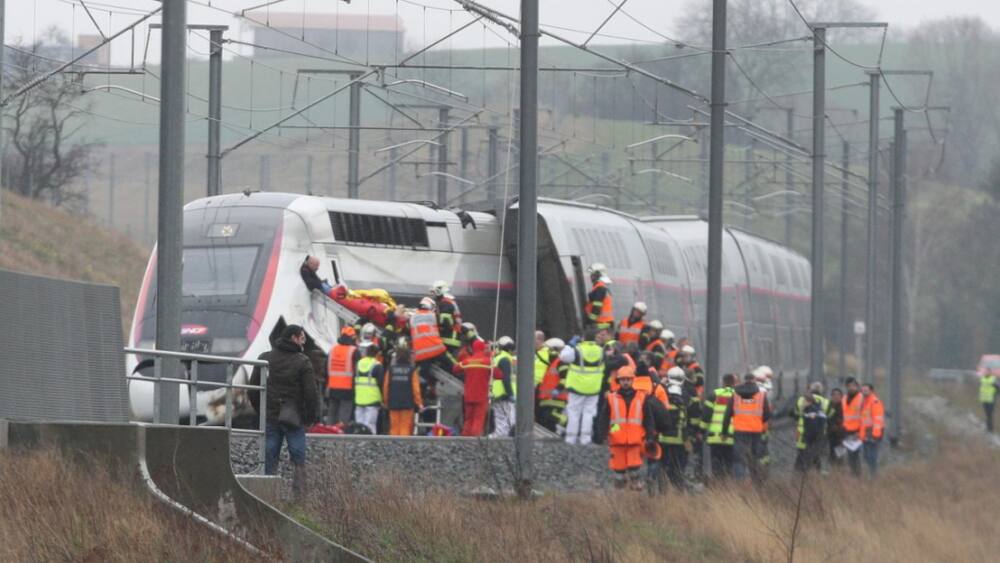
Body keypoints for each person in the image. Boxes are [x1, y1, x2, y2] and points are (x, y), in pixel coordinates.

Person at [263, 325, 319, 500]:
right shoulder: (303, 362)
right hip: (294, 418)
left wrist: (262, 410)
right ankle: (299, 496)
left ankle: (267, 493)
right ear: (294, 338)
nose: (304, 341)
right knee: (298, 456)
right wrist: (310, 416)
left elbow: (253, 388)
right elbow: (311, 392)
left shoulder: (265, 358)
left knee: (270, 453)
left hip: (272, 415)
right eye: (302, 337)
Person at [595, 367, 658, 490]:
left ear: (633, 380)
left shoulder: (642, 397)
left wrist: (650, 435)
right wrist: (602, 434)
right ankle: (621, 496)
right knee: (618, 472)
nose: (625, 382)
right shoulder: (611, 398)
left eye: (628, 379)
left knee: (635, 469)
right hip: (617, 440)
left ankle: (635, 494)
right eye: (623, 379)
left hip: (635, 440)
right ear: (619, 381)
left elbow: (648, 418)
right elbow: (603, 418)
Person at [560, 327, 606, 445]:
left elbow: (563, 357)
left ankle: (571, 439)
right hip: (593, 388)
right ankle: (585, 439)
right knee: (589, 413)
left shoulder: (577, 349)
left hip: (577, 387)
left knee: (574, 412)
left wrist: (569, 345)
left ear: (583, 338)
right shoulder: (601, 351)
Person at [722, 372, 771, 483]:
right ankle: (756, 482)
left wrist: (724, 432)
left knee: (739, 458)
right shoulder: (761, 395)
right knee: (755, 457)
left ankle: (739, 482)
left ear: (744, 380)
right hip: (756, 431)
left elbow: (727, 415)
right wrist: (758, 421)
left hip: (739, 430)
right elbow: (767, 414)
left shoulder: (735, 395)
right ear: (754, 381)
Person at [409, 297, 451, 409]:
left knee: (422, 377)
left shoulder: (412, 318)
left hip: (421, 355)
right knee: (451, 365)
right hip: (436, 349)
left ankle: (421, 399)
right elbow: (446, 323)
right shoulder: (433, 316)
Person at [454, 322, 491, 437]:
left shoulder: (465, 356)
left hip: (469, 391)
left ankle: (466, 440)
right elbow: (498, 373)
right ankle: (474, 441)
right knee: (478, 419)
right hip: (481, 391)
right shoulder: (485, 358)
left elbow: (456, 368)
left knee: (469, 418)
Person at [657, 367, 689, 491]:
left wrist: (660, 384)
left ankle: (662, 490)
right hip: (679, 438)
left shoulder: (662, 392)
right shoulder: (686, 394)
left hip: (663, 438)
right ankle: (679, 489)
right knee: (678, 467)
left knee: (663, 466)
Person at [383, 338, 424, 436]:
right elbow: (416, 389)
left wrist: (386, 401)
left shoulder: (391, 370)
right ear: (409, 356)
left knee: (394, 427)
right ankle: (403, 448)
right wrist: (419, 403)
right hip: (407, 403)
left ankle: (393, 448)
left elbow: (386, 387)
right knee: (405, 426)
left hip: (393, 403)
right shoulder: (412, 370)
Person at [702, 373, 738, 480]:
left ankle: (718, 486)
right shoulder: (738, 396)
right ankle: (727, 488)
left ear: (723, 382)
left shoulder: (714, 395)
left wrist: (701, 431)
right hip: (732, 437)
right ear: (734, 383)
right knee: (729, 465)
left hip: (715, 437)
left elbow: (706, 416)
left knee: (716, 464)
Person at [326, 326, 359, 424]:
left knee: (332, 413)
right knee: (344, 416)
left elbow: (326, 369)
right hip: (347, 388)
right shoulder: (354, 351)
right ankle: (342, 437)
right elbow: (358, 371)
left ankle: (328, 434)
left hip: (332, 387)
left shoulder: (332, 350)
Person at [536, 338, 568, 434]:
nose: (548, 353)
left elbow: (565, 379)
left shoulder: (561, 362)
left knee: (550, 416)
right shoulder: (552, 364)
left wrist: (557, 390)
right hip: (547, 399)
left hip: (556, 399)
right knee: (547, 422)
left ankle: (571, 424)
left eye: (549, 350)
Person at [353, 344, 384, 434]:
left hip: (359, 398)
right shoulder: (377, 365)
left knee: (359, 426)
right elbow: (380, 383)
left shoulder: (359, 363)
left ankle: (358, 445)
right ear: (377, 354)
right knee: (370, 425)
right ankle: (370, 446)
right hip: (372, 400)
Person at [490, 336, 517, 438]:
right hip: (504, 395)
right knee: (510, 420)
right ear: (510, 348)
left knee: (500, 420)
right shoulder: (506, 360)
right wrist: (510, 394)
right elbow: (506, 379)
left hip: (496, 394)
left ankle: (497, 439)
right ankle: (509, 441)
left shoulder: (497, 358)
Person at [793, 394, 827, 472]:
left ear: (809, 401)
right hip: (814, 440)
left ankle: (805, 479)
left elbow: (812, 428)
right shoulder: (814, 410)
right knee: (813, 460)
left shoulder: (811, 411)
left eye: (804, 401)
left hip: (811, 441)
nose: (802, 403)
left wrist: (806, 438)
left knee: (807, 462)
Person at [430, 281, 462, 361]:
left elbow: (445, 321)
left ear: (439, 291)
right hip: (452, 335)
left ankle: (455, 369)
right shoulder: (448, 301)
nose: (433, 295)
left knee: (445, 358)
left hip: (449, 336)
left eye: (434, 292)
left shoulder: (445, 303)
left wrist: (432, 320)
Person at [841, 377, 865, 477]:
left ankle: (857, 475)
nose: (851, 388)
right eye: (849, 386)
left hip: (857, 431)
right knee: (850, 455)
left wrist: (860, 432)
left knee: (856, 454)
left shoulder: (861, 398)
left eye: (853, 386)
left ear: (857, 386)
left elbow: (865, 416)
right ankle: (853, 474)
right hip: (847, 430)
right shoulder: (844, 398)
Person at [859, 383, 885, 477]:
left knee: (872, 456)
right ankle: (871, 474)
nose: (864, 392)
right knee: (866, 456)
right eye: (863, 390)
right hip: (866, 433)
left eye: (866, 390)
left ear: (871, 391)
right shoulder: (865, 402)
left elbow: (878, 419)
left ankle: (873, 475)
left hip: (873, 433)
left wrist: (875, 434)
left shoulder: (874, 402)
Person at [584, 263, 614, 330]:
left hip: (602, 324)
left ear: (599, 275)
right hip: (604, 324)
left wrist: (590, 321)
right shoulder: (600, 287)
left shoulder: (600, 288)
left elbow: (597, 307)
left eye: (593, 274)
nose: (591, 276)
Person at [826, 388, 845, 467]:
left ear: (841, 396)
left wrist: (839, 427)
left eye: (838, 395)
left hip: (841, 435)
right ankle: (833, 469)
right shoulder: (829, 406)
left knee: (840, 455)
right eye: (834, 395)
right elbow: (827, 417)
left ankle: (839, 469)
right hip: (831, 434)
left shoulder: (844, 406)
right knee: (832, 453)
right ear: (831, 396)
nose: (836, 396)